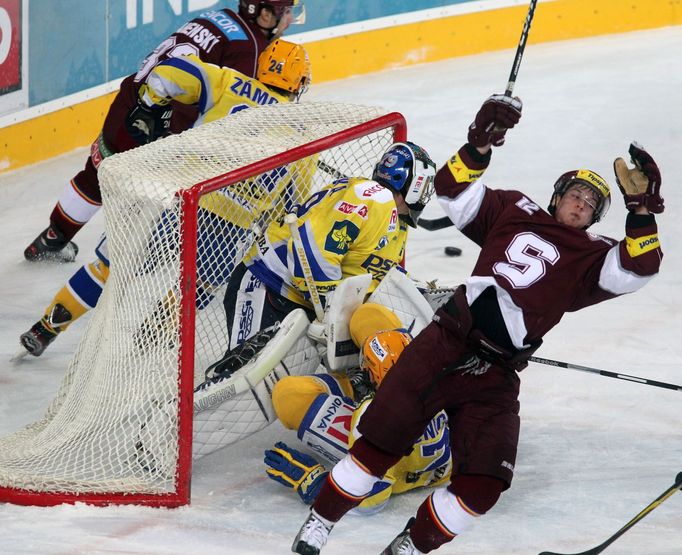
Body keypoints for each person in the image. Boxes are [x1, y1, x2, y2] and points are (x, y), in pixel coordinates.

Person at [291, 94, 664, 555]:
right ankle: (320, 523)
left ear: (597, 217)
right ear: (556, 196)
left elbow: (640, 268)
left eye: (592, 202)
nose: (581, 203)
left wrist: (641, 211)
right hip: (447, 342)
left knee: (484, 485)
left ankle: (409, 545)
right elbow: (451, 191)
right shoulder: (513, 209)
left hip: (498, 374)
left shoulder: (593, 257)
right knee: (379, 445)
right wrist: (480, 143)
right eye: (575, 193)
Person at [19, 39, 312, 356]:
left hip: (177, 199)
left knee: (110, 267)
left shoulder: (228, 82)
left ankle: (45, 328)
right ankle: (142, 349)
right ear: (299, 83)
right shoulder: (302, 134)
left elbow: (168, 72)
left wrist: (149, 105)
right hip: (231, 228)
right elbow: (293, 209)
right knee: (195, 290)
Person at [24, 0, 303, 263]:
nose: (290, 18)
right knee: (146, 208)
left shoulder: (220, 18)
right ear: (265, 14)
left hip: (129, 102)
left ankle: (52, 238)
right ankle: (114, 270)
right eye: (286, 11)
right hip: (155, 125)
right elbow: (203, 102)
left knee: (95, 175)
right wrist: (180, 144)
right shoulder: (250, 50)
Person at [213, 140, 437, 365]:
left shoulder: (397, 223)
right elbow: (313, 252)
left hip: (301, 303)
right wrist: (333, 312)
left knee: (280, 388)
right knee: (247, 378)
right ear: (412, 183)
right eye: (425, 186)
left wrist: (416, 294)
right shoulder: (371, 198)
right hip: (268, 284)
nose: (426, 195)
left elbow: (376, 277)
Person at [263, 303, 451, 513]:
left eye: (368, 368)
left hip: (392, 467)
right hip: (438, 464)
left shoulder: (373, 416)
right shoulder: (443, 375)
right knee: (367, 315)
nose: (365, 369)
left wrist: (313, 482)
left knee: (288, 396)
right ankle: (365, 377)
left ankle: (354, 385)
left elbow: (372, 500)